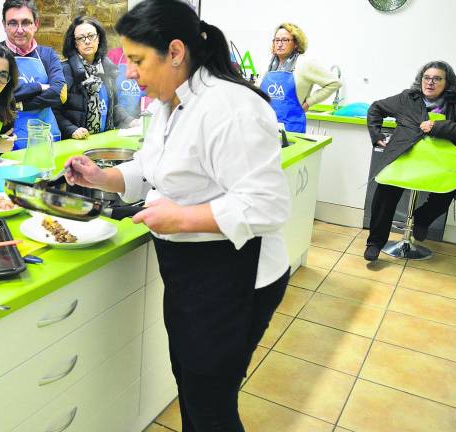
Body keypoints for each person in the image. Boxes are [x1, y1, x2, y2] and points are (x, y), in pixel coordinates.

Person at [63, 1, 291, 430]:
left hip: (235, 274)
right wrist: (101, 177)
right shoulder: (169, 102)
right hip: (189, 271)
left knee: (210, 403)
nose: (129, 72)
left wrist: (182, 219)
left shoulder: (230, 107)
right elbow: (153, 170)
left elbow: (267, 204)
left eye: (136, 60)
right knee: (189, 381)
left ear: (174, 51)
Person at [364, 61, 456, 261]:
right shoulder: (407, 98)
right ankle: (375, 242)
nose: (430, 82)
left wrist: (438, 127)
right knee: (385, 192)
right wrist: (376, 135)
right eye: (426, 78)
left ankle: (423, 218)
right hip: (405, 156)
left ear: (448, 82)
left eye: (437, 78)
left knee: (451, 186)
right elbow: (376, 108)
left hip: (443, 162)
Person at [54, 16, 135, 140]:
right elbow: (54, 111)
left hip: (103, 141)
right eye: (81, 38)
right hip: (74, 143)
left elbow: (114, 108)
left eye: (91, 36)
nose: (87, 41)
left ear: (98, 39)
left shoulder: (108, 69)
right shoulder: (64, 70)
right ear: (75, 43)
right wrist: (72, 130)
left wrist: (131, 121)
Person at [0, 0, 65, 149]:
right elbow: (0, 95)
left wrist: (18, 104)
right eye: (13, 23)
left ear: (36, 24)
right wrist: (40, 87)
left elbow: (58, 93)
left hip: (48, 139)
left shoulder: (48, 55)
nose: (20, 29)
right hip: (8, 143)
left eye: (26, 22)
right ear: (4, 25)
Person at [260, 23, 340, 133]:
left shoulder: (305, 64)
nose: (279, 44)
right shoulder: (267, 64)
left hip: (291, 129)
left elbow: (334, 83)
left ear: (296, 44)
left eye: (285, 40)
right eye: (276, 40)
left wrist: (309, 103)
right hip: (266, 127)